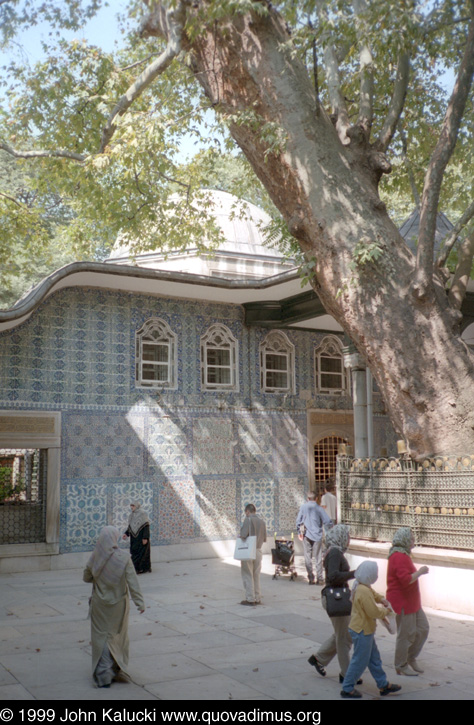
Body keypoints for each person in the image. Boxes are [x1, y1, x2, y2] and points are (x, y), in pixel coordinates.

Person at [83, 526, 145, 688]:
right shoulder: (123, 558)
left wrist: (101, 575)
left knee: (101, 636)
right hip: (118, 605)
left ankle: (103, 674)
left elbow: (86, 577)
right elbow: (132, 582)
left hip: (99, 604)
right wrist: (140, 602)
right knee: (116, 636)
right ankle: (115, 668)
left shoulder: (96, 556)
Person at [341, 561, 401, 699]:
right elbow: (372, 612)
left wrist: (381, 599)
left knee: (374, 659)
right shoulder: (363, 590)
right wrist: (386, 611)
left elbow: (373, 594)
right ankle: (347, 688)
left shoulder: (361, 585)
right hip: (362, 630)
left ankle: (383, 684)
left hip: (363, 629)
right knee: (359, 661)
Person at [308, 524, 356, 683]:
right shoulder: (335, 553)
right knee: (343, 638)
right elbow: (334, 576)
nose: (349, 539)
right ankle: (347, 674)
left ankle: (319, 658)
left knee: (343, 634)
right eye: (347, 536)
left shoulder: (335, 551)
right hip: (336, 599)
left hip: (338, 598)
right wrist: (354, 574)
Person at [386, 527, 430, 676]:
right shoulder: (398, 556)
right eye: (411, 539)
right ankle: (400, 664)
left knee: (423, 629)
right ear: (403, 540)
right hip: (403, 602)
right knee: (406, 635)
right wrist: (420, 572)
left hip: (413, 602)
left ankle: (410, 657)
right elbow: (405, 580)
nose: (413, 541)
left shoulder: (404, 555)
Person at [296, 491, 332, 584]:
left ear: (308, 499)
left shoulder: (303, 507)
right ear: (316, 499)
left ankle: (311, 578)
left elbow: (298, 521)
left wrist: (299, 532)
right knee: (318, 557)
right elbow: (328, 521)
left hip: (306, 535)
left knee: (307, 556)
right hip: (317, 535)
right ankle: (319, 578)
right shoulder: (319, 509)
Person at [239, 503, 267, 606]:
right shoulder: (262, 522)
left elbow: (243, 535)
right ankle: (257, 597)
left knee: (247, 574)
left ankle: (250, 598)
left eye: (246, 513)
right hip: (259, 550)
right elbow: (264, 538)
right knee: (256, 574)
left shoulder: (248, 520)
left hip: (249, 550)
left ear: (247, 511)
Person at [123, 501, 152, 574]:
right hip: (134, 538)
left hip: (141, 538)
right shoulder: (132, 515)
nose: (132, 507)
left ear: (137, 506)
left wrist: (145, 538)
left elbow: (146, 526)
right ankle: (136, 568)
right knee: (134, 552)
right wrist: (126, 534)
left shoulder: (142, 514)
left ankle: (142, 568)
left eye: (133, 506)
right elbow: (131, 526)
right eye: (131, 506)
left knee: (142, 553)